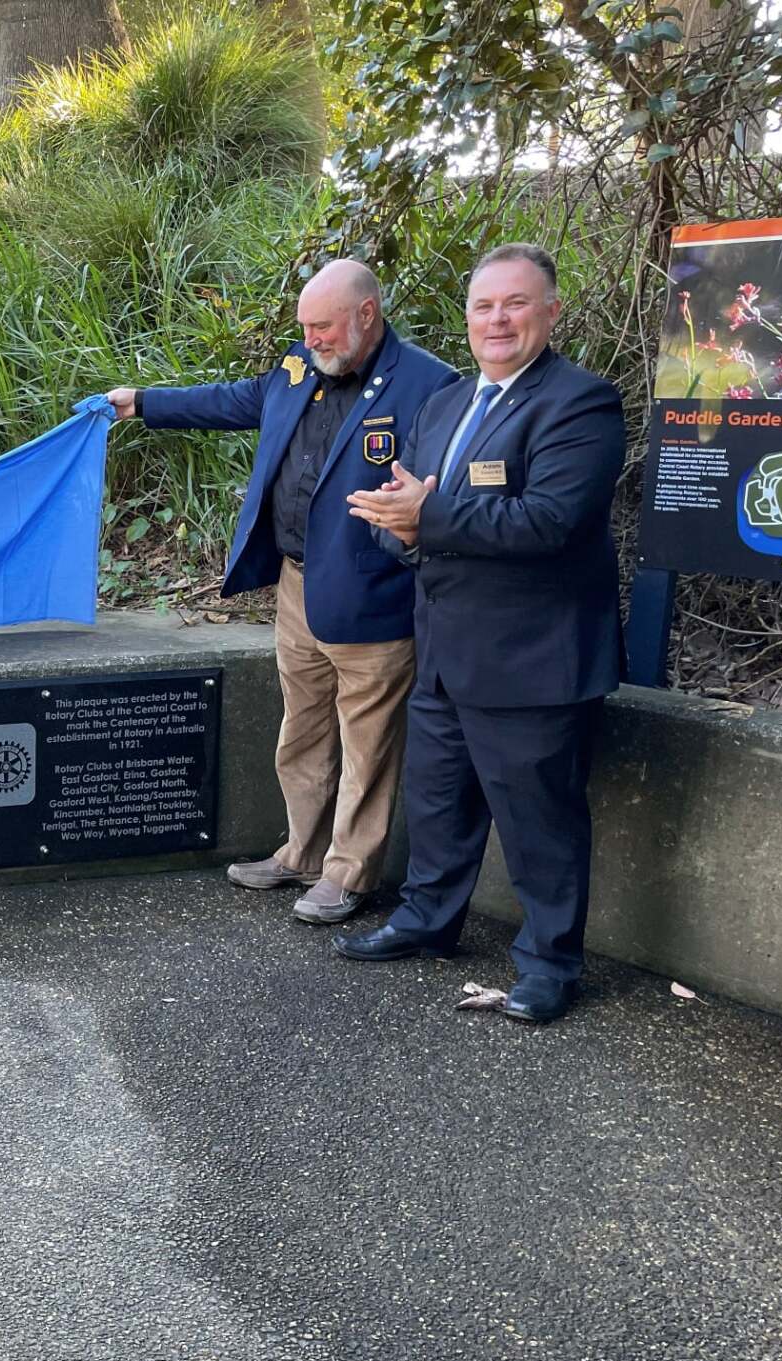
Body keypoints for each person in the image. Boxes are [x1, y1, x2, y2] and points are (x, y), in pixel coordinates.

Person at [106, 259, 457, 924]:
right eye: (306, 326)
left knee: (367, 744)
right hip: (298, 583)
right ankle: (301, 851)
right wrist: (145, 403)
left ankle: (348, 875)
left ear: (367, 314)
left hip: (372, 594)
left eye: (323, 326)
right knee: (304, 727)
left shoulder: (431, 386)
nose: (312, 338)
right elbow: (235, 399)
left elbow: (435, 501)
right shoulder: (302, 368)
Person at [341, 243, 626, 1025]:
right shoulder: (445, 403)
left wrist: (424, 517)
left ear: (551, 313)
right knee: (438, 806)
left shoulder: (581, 403)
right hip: (443, 648)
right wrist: (398, 530)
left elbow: (551, 522)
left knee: (541, 824)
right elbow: (408, 503)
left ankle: (548, 964)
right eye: (482, 306)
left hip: (532, 661)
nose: (496, 319)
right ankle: (428, 921)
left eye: (515, 303)